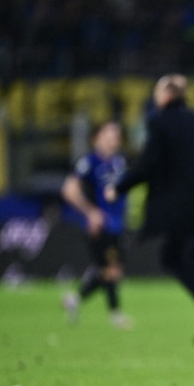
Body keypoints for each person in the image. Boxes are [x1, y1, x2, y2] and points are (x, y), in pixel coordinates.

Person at [104, 74, 194, 354]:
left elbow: (147, 165)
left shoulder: (160, 122)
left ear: (166, 96)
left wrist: (118, 188)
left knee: (189, 266)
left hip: (180, 211)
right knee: (178, 259)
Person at [61, 121, 132, 329]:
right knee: (112, 269)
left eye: (117, 135)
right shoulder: (89, 162)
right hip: (101, 225)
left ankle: (76, 299)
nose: (114, 139)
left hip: (117, 224)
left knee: (109, 270)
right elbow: (69, 190)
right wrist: (90, 212)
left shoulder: (120, 162)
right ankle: (114, 314)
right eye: (109, 134)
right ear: (97, 138)